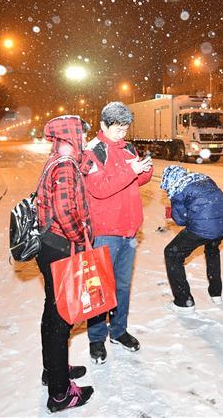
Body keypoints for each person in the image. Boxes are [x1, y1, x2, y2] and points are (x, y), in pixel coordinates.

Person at [81, 101, 153, 364]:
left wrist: (144, 170)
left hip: (129, 230)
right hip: (104, 232)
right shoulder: (93, 151)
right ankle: (97, 338)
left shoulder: (128, 148)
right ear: (103, 125)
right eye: (117, 129)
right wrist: (130, 170)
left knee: (122, 286)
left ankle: (118, 331)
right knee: (100, 288)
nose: (122, 134)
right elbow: (99, 188)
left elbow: (135, 180)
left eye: (125, 129)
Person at [35, 115, 95, 412]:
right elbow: (63, 209)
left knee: (52, 314)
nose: (84, 136)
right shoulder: (64, 165)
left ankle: (53, 370)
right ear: (72, 135)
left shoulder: (58, 160)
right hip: (62, 247)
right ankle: (60, 393)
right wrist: (80, 238)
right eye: (81, 133)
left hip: (49, 247)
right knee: (61, 320)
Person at [159, 165, 223, 311]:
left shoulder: (177, 189)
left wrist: (172, 214)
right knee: (212, 250)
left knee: (172, 253)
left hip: (204, 227)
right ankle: (216, 293)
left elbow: (181, 220)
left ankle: (183, 301)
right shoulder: (203, 178)